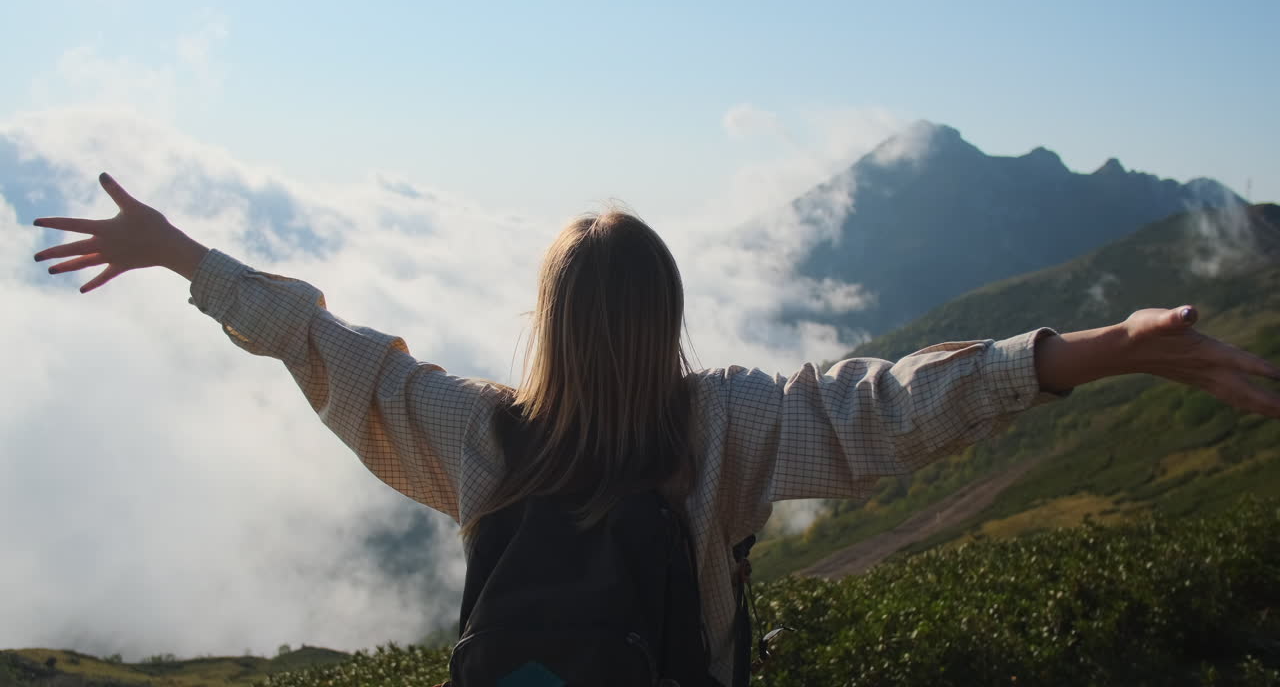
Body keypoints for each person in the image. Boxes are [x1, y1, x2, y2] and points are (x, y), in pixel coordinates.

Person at [32, 173, 1280, 686]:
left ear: (548, 320)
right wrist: (1102, 350)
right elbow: (897, 408)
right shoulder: (725, 429)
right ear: (666, 317)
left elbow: (324, 345)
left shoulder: (474, 437)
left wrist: (181, 254)